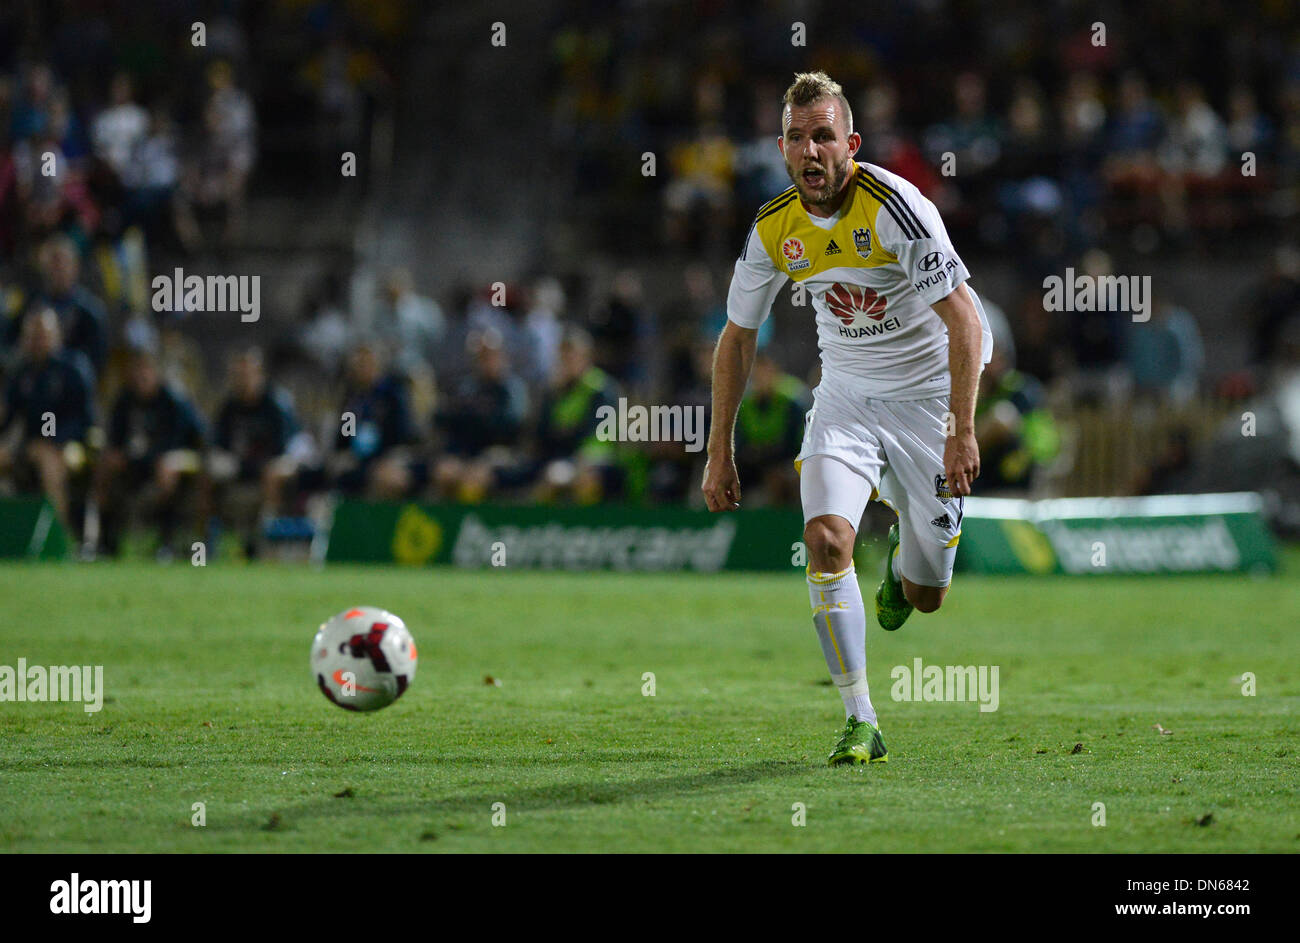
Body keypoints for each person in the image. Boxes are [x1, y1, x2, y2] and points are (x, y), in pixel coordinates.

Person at [702, 72, 992, 766]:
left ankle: (903, 565)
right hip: (845, 401)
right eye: (798, 137)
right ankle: (861, 718)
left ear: (850, 143)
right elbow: (737, 337)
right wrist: (719, 448)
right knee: (828, 540)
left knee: (925, 598)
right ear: (781, 147)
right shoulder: (774, 227)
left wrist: (960, 429)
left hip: (928, 405)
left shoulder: (898, 208)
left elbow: (966, 321)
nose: (811, 150)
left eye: (824, 135)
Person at [0, 307, 96, 534]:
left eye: (42, 336)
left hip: (70, 444)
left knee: (49, 463)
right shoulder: (22, 372)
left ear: (56, 336)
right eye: (32, 336)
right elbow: (10, 418)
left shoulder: (73, 368)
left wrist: (53, 440)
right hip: (32, 445)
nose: (37, 342)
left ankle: (58, 536)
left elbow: (85, 419)